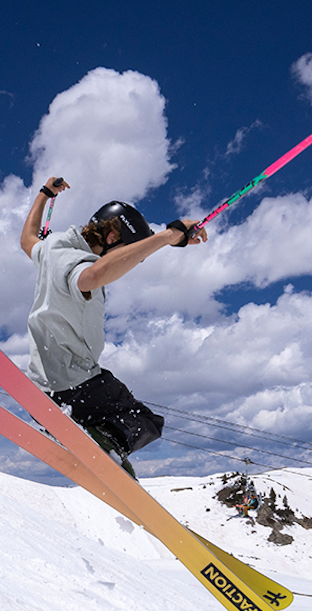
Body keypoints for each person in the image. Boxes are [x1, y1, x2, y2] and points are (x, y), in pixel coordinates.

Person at [20, 176, 207, 476]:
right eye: (124, 253)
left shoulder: (50, 249)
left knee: (116, 406)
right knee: (144, 422)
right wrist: (168, 237)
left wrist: (44, 193)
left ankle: (80, 433)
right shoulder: (79, 262)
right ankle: (104, 446)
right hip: (75, 384)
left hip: (40, 385)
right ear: (110, 239)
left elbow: (27, 238)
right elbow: (92, 276)